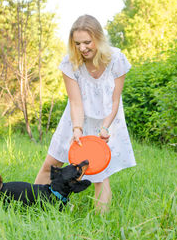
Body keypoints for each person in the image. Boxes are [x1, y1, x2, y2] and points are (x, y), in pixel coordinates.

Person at [34, 14, 136, 213]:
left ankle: (100, 223)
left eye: (87, 42)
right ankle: (36, 208)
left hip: (107, 121)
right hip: (76, 119)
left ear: (98, 38)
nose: (82, 48)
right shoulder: (70, 63)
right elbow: (76, 102)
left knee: (100, 173)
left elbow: (116, 100)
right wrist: (77, 128)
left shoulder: (116, 59)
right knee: (51, 163)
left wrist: (105, 127)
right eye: (77, 43)